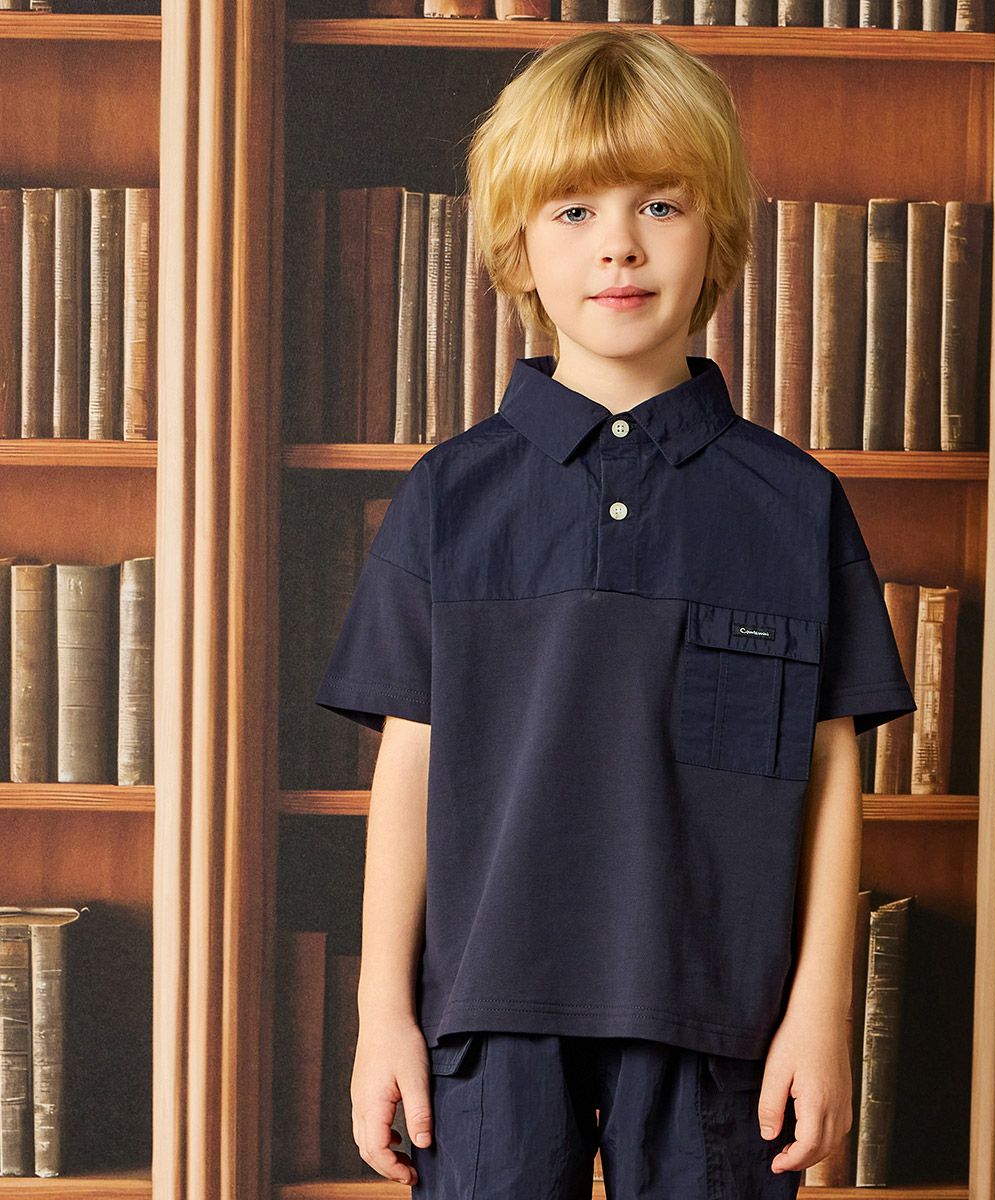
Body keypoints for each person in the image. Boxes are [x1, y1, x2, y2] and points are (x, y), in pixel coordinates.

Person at [315, 25, 917, 1199]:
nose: (619, 246)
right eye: (575, 210)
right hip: (484, 1021)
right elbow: (409, 768)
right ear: (518, 244)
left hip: (723, 1022)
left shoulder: (794, 505)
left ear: (718, 233)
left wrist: (821, 1011)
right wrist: (382, 1012)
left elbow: (831, 770)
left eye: (661, 204)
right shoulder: (448, 497)